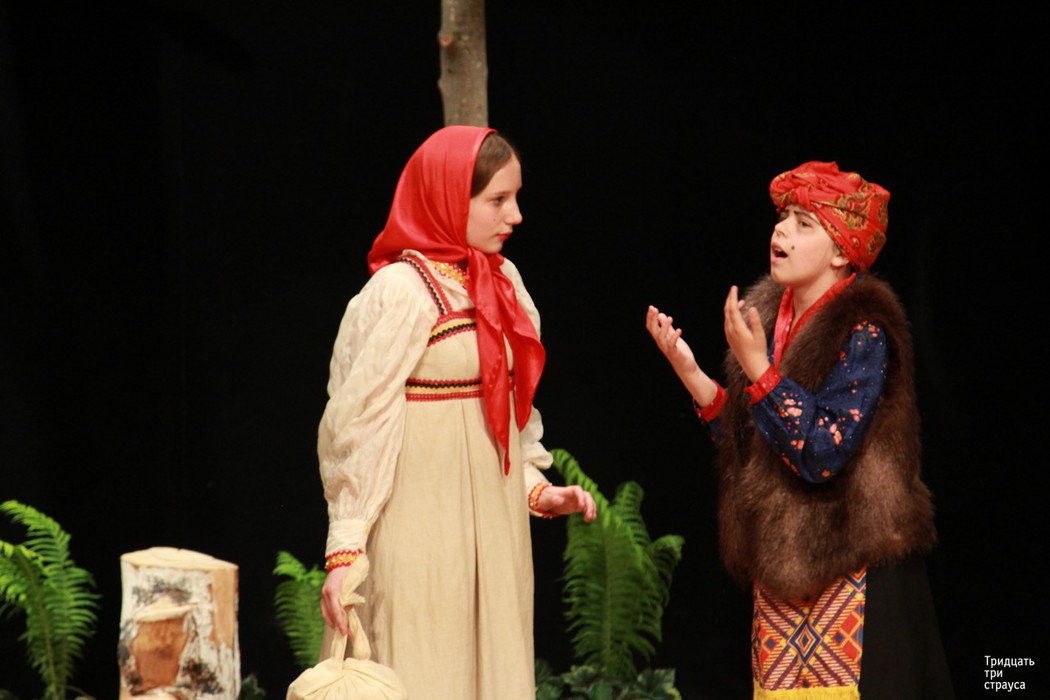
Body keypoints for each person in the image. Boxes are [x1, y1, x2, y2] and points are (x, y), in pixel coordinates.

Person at [646, 161, 954, 699]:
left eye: (803, 223)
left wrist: (758, 368)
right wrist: (691, 373)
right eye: (783, 217)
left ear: (840, 252)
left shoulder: (864, 332)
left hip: (851, 565)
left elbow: (820, 453)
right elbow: (753, 447)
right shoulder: (773, 319)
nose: (781, 231)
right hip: (782, 574)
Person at [314, 125, 597, 700]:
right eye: (497, 199)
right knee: (426, 668)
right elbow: (357, 425)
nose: (515, 215)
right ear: (447, 198)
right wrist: (346, 545)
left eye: (516, 197)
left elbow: (509, 407)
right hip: (422, 526)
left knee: (492, 672)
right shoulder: (402, 292)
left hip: (495, 531)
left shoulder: (503, 281)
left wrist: (533, 484)